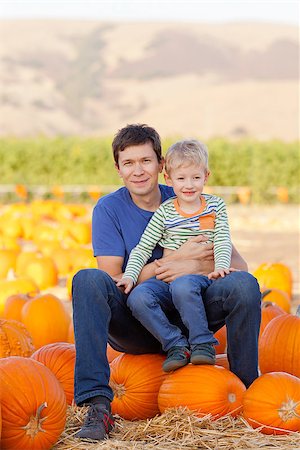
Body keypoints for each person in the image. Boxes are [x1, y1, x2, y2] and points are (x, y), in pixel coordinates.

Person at [72, 124, 261, 441]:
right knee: (87, 280)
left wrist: (193, 262)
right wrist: (171, 262)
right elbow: (114, 280)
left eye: (145, 161)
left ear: (161, 166)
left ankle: (246, 392)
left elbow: (239, 266)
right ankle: (97, 405)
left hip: (193, 316)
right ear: (118, 169)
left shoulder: (188, 194)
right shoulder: (109, 209)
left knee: (243, 285)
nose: (138, 171)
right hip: (137, 320)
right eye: (128, 163)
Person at [117, 139, 238, 372]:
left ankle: (202, 343)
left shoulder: (215, 207)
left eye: (195, 177)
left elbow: (223, 240)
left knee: (183, 286)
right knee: (138, 298)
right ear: (169, 180)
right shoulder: (165, 212)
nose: (189, 185)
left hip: (199, 276)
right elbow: (143, 247)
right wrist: (131, 276)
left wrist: (220, 267)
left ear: (206, 176)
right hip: (167, 280)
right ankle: (176, 344)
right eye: (181, 179)